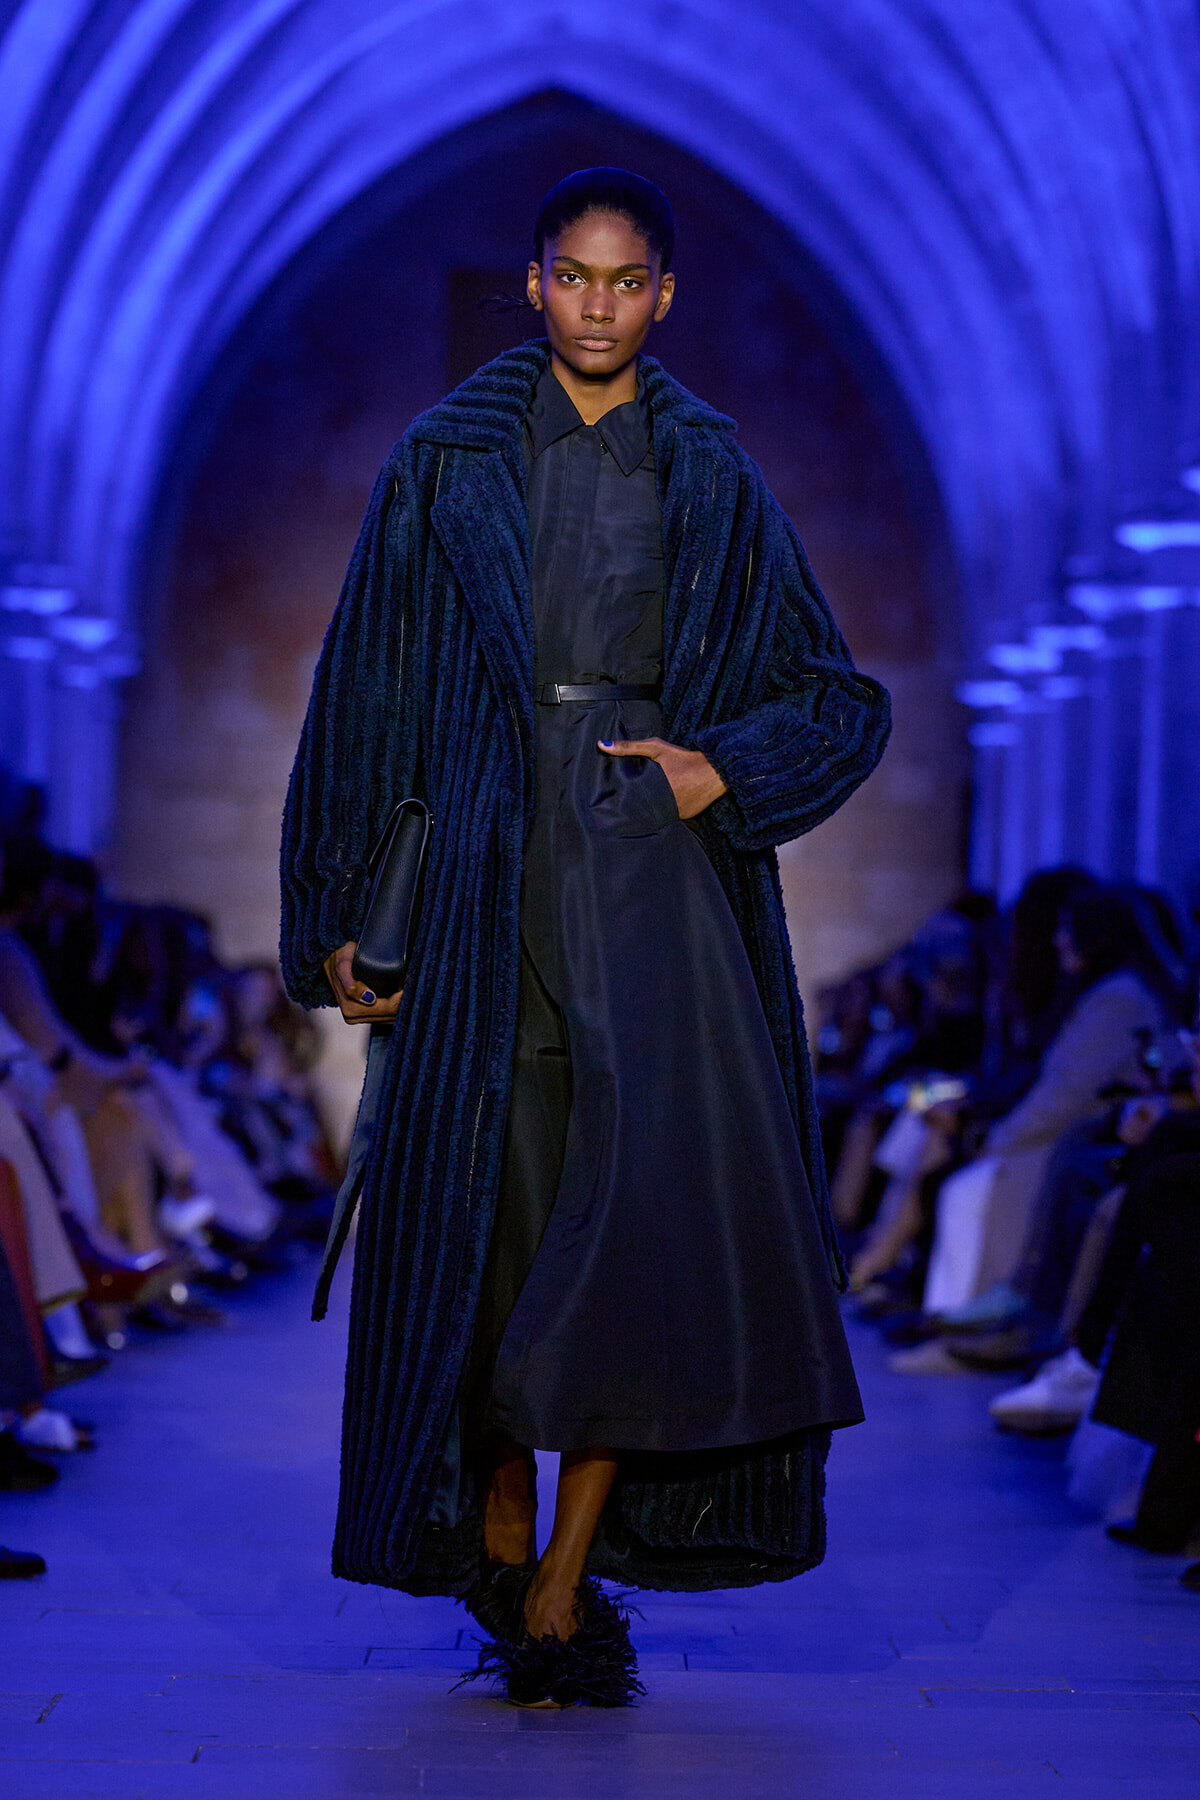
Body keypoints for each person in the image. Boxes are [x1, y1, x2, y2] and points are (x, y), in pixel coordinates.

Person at [280, 168, 891, 1707]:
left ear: (663, 298)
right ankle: (502, 1551)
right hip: (487, 879)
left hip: (645, 899)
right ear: (534, 282)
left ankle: (562, 1584)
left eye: (629, 284)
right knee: (481, 1237)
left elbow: (839, 696)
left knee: (636, 1237)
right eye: (575, 277)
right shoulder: (448, 461)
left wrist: (717, 767)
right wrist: (330, 915)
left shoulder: (712, 473)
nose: (600, 305)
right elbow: (362, 692)